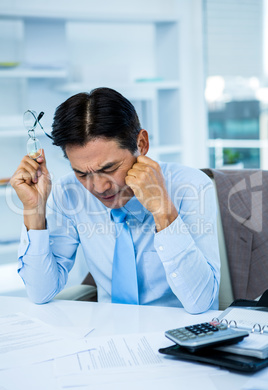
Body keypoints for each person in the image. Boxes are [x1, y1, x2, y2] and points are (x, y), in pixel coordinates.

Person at [11, 87, 220, 313]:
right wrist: (34, 210)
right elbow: (41, 292)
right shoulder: (68, 193)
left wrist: (163, 212)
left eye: (109, 168)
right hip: (105, 337)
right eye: (82, 173)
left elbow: (201, 303)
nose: (99, 187)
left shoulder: (193, 187)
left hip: (178, 338)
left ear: (141, 144)